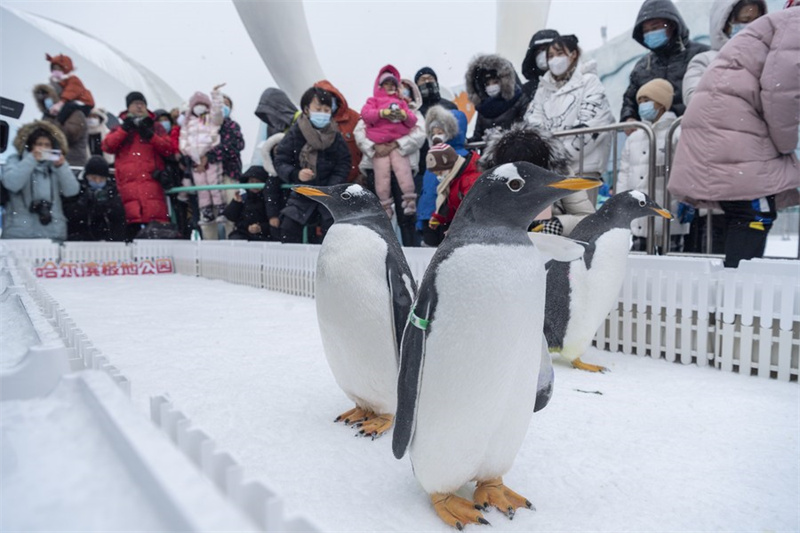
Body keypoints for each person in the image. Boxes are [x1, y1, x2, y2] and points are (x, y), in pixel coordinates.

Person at [669, 7, 800, 268]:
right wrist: (785, 143)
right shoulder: (795, 24)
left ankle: (730, 292)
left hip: (727, 128)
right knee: (755, 212)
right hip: (733, 129)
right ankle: (736, 294)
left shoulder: (782, 23)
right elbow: (781, 93)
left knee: (745, 213)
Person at [525, 34, 614, 205]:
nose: (554, 60)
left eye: (559, 54)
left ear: (573, 54)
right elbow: (533, 124)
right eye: (550, 56)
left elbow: (593, 124)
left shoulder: (590, 82)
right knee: (552, 227)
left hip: (583, 169)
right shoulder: (543, 89)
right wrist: (547, 158)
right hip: (549, 174)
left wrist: (558, 156)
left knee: (581, 223)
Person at [479, 122, 595, 237]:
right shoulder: (491, 181)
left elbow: (588, 218)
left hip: (555, 245)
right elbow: (478, 223)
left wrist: (557, 225)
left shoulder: (562, 175)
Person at [616, 79, 688, 251]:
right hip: (639, 217)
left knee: (670, 266)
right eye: (640, 101)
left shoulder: (676, 132)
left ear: (662, 103)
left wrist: (687, 199)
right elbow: (624, 173)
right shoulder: (635, 137)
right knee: (639, 262)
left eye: (647, 100)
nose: (642, 105)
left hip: (669, 213)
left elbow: (685, 169)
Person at [273, 86, 351, 243]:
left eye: (326, 109)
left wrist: (331, 186)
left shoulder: (335, 135)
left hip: (329, 195)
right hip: (303, 193)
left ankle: (330, 265)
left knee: (334, 231)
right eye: (318, 108)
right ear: (307, 109)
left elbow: (344, 162)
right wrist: (296, 174)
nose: (322, 113)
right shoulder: (296, 132)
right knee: (288, 227)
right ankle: (291, 265)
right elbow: (281, 159)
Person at [354, 78, 426, 245]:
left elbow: (419, 135)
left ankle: (410, 255)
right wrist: (374, 147)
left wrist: (396, 144)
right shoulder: (374, 107)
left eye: (404, 88)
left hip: (404, 170)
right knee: (379, 218)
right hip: (375, 166)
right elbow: (360, 132)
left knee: (406, 217)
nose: (398, 90)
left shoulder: (412, 112)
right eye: (397, 86)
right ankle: (380, 256)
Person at [620, 0, 710, 126]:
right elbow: (630, 100)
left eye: (655, 27)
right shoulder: (642, 67)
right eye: (646, 31)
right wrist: (628, 118)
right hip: (655, 139)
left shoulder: (702, 54)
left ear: (672, 25)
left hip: (696, 132)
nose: (650, 33)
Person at [102, 91, 176, 241]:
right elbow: (107, 146)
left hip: (152, 183)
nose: (139, 107)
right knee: (130, 227)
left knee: (156, 227)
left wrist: (150, 135)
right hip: (128, 186)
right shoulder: (119, 128)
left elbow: (168, 148)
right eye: (135, 104)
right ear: (128, 107)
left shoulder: (155, 127)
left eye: (142, 104)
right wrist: (125, 129)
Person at [1, 120, 79, 241]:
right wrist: (32, 159)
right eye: (39, 144)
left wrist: (61, 167)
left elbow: (72, 191)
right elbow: (12, 184)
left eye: (47, 145)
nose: (43, 148)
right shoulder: (16, 161)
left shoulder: (57, 165)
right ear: (30, 146)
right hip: (19, 234)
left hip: (53, 233)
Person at [683, 0, 767, 107]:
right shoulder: (704, 61)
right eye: (745, 20)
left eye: (758, 20)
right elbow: (695, 101)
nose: (753, 26)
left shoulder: (770, 57)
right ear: (725, 25)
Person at [360, 65, 419, 218]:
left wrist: (404, 116)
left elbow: (413, 121)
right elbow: (366, 115)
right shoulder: (373, 101)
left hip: (397, 145)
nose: (390, 86)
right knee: (382, 175)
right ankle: (385, 205)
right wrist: (381, 113)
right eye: (386, 83)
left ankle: (409, 199)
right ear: (380, 86)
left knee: (403, 171)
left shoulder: (402, 103)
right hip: (378, 144)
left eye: (393, 84)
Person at [416, 105, 470, 237]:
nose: (436, 137)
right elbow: (426, 192)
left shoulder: (460, 159)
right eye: (433, 133)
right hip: (429, 217)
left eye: (440, 133)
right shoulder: (433, 157)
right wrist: (421, 218)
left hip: (448, 217)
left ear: (452, 131)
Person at [180, 86, 226, 223]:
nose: (199, 108)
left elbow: (218, 114)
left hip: (211, 157)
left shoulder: (210, 119)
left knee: (214, 182)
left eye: (202, 105)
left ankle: (220, 209)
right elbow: (183, 140)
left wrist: (216, 96)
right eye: (196, 105)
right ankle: (206, 212)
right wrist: (192, 156)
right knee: (201, 186)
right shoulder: (188, 123)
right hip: (195, 160)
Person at [421, 143, 482, 247]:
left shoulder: (468, 180)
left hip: (474, 236)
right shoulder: (454, 177)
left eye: (439, 172)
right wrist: (439, 217)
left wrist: (456, 230)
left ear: (447, 164)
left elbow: (472, 210)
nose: (439, 177)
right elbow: (452, 204)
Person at [465, 54, 530, 143]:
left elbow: (526, 130)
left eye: (495, 82)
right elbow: (477, 137)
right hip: (489, 155)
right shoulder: (483, 108)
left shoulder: (519, 100)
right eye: (487, 84)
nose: (491, 87)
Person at [62, 155, 126, 241]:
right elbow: (70, 215)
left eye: (101, 178)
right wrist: (85, 203)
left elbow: (119, 218)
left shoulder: (113, 191)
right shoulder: (76, 189)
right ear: (86, 176)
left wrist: (106, 205)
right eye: (93, 178)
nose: (97, 181)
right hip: (80, 241)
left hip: (107, 241)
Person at [314, 80, 362, 182]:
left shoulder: (354, 118)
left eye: (329, 98)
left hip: (355, 181)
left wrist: (363, 174)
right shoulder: (307, 122)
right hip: (323, 184)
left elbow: (365, 147)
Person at [32, 84, 88, 167]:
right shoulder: (47, 115)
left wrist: (52, 123)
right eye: (44, 99)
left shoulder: (75, 113)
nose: (47, 101)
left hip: (72, 163)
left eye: (49, 98)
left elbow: (69, 136)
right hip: (51, 161)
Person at [251, 88, 300, 168]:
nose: (271, 118)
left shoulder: (301, 121)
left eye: (271, 112)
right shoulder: (272, 128)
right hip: (280, 171)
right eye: (267, 115)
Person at [222, 166, 271, 241]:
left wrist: (261, 228)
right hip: (243, 233)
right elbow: (230, 216)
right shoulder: (243, 198)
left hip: (264, 235)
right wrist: (236, 203)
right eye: (251, 182)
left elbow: (274, 221)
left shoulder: (269, 200)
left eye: (258, 182)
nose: (254, 185)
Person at [45, 53, 94, 124]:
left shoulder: (73, 79)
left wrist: (60, 103)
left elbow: (70, 92)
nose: (55, 71)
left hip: (84, 104)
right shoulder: (57, 82)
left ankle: (57, 125)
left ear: (65, 68)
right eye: (54, 68)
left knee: (67, 107)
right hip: (69, 102)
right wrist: (50, 105)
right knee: (48, 111)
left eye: (58, 68)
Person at [520, 29, 560, 100]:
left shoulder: (574, 83)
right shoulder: (527, 91)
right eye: (538, 51)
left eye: (547, 49)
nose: (543, 54)